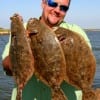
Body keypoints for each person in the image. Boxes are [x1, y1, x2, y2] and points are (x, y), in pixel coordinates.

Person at [2, 0, 92, 100]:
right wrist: (23, 49)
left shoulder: (76, 32)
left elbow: (85, 66)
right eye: (53, 4)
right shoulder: (22, 30)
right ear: (43, 3)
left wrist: (62, 50)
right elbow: (7, 67)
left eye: (63, 8)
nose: (57, 10)